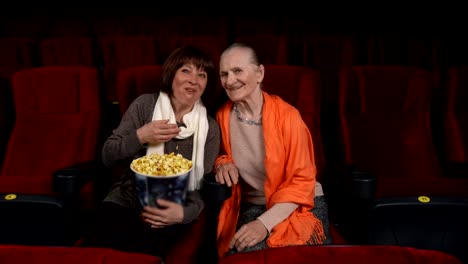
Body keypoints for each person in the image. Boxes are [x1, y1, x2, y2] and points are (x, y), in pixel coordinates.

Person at [89, 45, 221, 260]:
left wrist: (183, 214)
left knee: (148, 250)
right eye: (185, 71)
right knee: (103, 243)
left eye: (202, 75)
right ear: (171, 75)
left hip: (175, 204)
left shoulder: (210, 127)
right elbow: (107, 155)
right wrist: (140, 136)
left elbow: (201, 184)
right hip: (128, 198)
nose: (194, 80)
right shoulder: (144, 105)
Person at [214, 43, 331, 257]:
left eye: (238, 71)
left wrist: (263, 224)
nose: (230, 81)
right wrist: (223, 162)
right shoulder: (222, 115)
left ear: (259, 73)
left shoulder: (289, 117)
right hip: (256, 205)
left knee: (270, 256)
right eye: (224, 74)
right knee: (236, 255)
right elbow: (221, 152)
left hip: (300, 205)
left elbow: (302, 182)